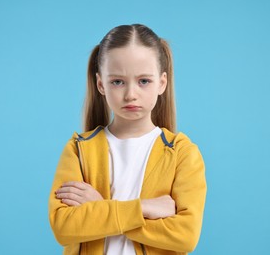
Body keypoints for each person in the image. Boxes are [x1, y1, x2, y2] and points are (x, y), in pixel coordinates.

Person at [48, 24, 207, 255]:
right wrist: (144, 208)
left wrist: (99, 210)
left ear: (162, 83)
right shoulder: (78, 150)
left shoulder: (182, 153)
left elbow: (185, 236)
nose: (131, 94)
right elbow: (64, 227)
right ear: (101, 84)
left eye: (144, 81)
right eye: (117, 81)